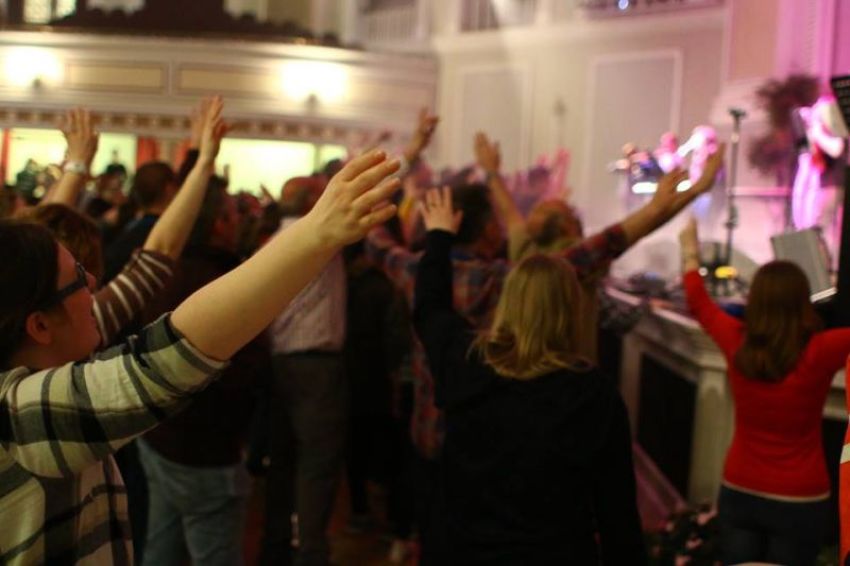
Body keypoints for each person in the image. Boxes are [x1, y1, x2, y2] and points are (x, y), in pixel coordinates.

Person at [0, 147, 402, 565]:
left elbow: (152, 261)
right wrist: (316, 232)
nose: (95, 281)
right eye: (79, 278)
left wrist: (205, 157)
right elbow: (171, 353)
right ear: (40, 325)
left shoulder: (46, 343)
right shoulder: (19, 419)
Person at [413, 187, 646, 564]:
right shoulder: (592, 394)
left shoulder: (467, 362)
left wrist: (439, 236)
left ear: (509, 302)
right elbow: (616, 511)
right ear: (568, 312)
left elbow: (429, 307)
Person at [679, 218, 850, 565]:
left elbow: (698, 301)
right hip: (801, 495)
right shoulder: (822, 350)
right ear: (804, 302)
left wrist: (690, 252)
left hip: (742, 487)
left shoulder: (736, 341)